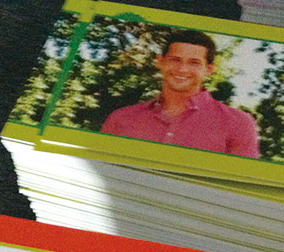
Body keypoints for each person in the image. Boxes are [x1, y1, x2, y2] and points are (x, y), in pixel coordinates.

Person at [100, 29, 260, 158]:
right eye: (175, 59)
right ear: (160, 61)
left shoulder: (238, 124)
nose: (182, 69)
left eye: (194, 62)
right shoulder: (120, 119)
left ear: (209, 69)